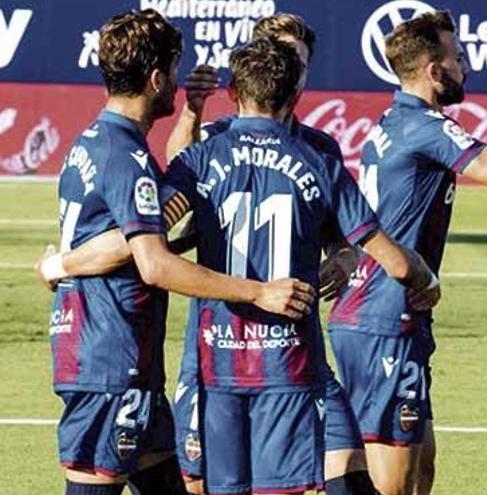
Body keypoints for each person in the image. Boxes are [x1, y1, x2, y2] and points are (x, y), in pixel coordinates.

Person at [39, 10, 313, 495]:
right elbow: (153, 263)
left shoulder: (90, 141)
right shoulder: (126, 156)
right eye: (175, 68)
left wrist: (61, 264)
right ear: (156, 77)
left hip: (121, 358)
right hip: (109, 359)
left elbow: (130, 242)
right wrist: (259, 292)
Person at [326, 10, 487, 495]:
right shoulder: (424, 127)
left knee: (423, 470)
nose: (467, 68)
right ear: (434, 71)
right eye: (458, 58)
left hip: (387, 315)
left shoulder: (393, 121)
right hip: (384, 321)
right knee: (393, 486)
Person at [161, 14, 380, 494]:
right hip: (216, 345)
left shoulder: (320, 149)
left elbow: (344, 235)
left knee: (348, 472)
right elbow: (172, 213)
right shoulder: (215, 139)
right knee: (202, 482)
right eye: (282, 58)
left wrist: (344, 257)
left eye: (299, 62)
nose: (291, 69)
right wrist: (192, 112)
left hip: (296, 355)